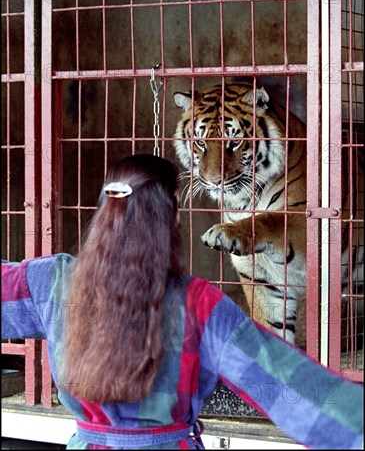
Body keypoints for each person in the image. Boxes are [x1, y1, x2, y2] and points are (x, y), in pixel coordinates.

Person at [2, 153, 363, 450]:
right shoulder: (199, 305)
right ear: (171, 214)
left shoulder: (48, 282)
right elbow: (290, 386)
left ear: (104, 209)